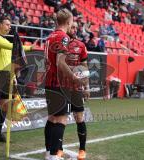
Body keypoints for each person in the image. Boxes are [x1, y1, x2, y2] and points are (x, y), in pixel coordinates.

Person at [0, 16, 37, 146]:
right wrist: (29, 48)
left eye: (10, 25)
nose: (9, 27)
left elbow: (9, 60)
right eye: (7, 24)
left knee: (5, 107)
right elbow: (12, 47)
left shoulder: (4, 39)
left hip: (7, 76)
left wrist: (13, 76)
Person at [44, 9, 87, 160]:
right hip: (59, 83)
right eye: (72, 22)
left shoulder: (49, 36)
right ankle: (55, 155)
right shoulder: (63, 37)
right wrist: (74, 77)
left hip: (49, 82)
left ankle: (49, 152)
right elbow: (60, 62)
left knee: (52, 118)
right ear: (68, 21)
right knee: (61, 119)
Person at [57, 22, 90, 160]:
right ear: (66, 27)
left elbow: (84, 66)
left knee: (79, 118)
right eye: (72, 27)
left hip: (76, 88)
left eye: (76, 27)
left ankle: (82, 149)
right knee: (60, 120)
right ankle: (58, 149)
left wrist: (87, 87)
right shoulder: (60, 43)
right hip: (61, 87)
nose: (75, 29)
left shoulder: (81, 45)